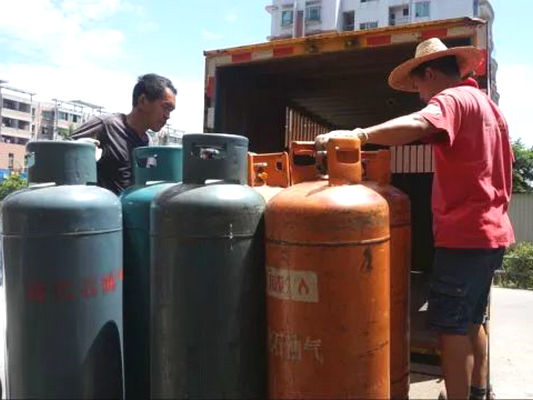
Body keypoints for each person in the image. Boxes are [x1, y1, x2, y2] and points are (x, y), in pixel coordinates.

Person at [315, 38, 514, 400]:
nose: (420, 94)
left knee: (450, 328)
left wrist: (359, 135)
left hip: (465, 234)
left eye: (419, 84)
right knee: (471, 321)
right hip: (492, 233)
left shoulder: (451, 99)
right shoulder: (487, 106)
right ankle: (479, 391)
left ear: (432, 73)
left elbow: (420, 122)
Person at [71, 73, 177, 194]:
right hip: (103, 210)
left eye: (170, 110)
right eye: (165, 107)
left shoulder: (148, 142)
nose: (167, 116)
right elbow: (61, 153)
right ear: (142, 101)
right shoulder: (106, 125)